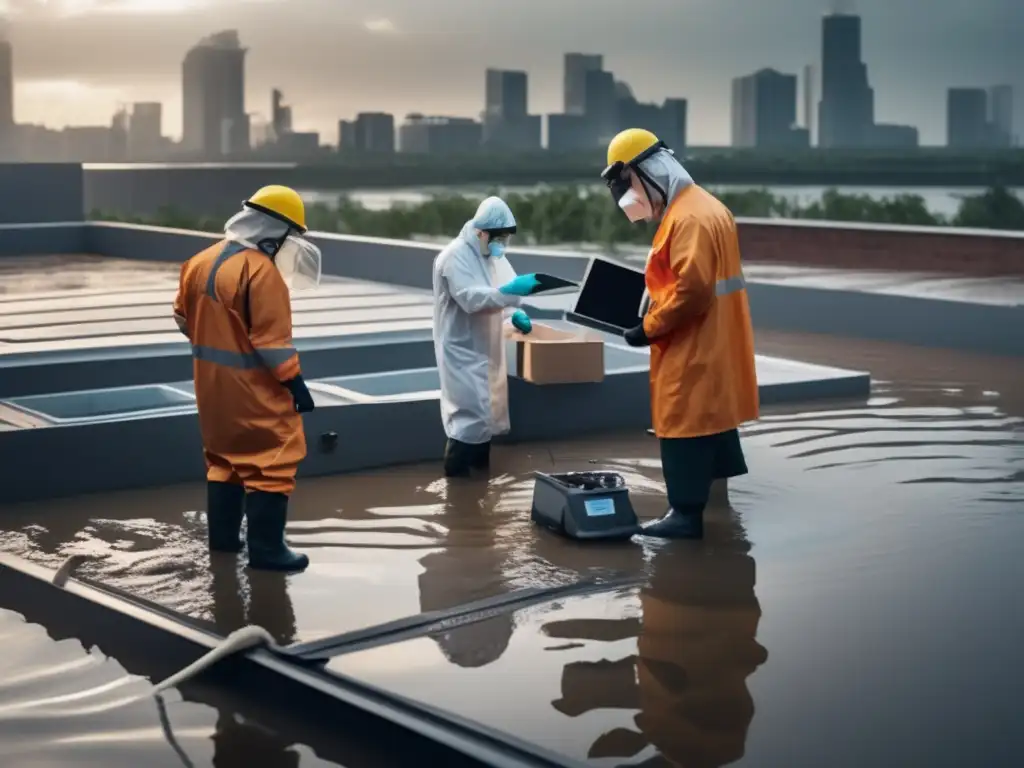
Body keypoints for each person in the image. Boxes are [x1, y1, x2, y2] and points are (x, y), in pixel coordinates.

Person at [601, 128, 759, 539]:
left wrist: (647, 328)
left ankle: (685, 515)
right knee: (714, 420)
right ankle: (717, 502)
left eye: (629, 184)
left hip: (693, 345)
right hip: (717, 343)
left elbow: (692, 290)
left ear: (648, 171)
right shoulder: (708, 207)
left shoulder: (686, 218)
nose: (631, 197)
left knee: (683, 423)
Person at [173, 184, 322, 572]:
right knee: (272, 462)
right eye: (291, 237)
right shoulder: (261, 273)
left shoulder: (199, 261)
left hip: (211, 390)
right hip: (255, 392)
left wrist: (220, 338)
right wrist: (297, 386)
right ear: (275, 231)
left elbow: (182, 319)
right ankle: (268, 552)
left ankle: (223, 541)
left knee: (223, 461)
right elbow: (273, 343)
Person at [431, 195, 538, 478]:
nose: (502, 244)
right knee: (466, 424)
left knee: (484, 423)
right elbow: (471, 299)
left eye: (506, 238)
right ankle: (456, 495)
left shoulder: (493, 257)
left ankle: (478, 491)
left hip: (486, 351)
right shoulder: (454, 257)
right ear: (481, 231)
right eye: (498, 237)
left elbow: (502, 296)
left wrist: (513, 314)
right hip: (461, 352)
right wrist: (512, 294)